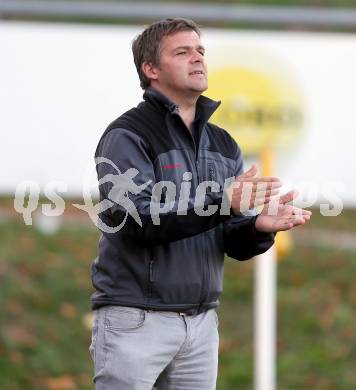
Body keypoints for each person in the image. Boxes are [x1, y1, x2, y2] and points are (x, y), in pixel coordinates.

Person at [88, 17, 311, 390]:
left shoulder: (223, 143)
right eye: (183, 52)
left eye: (201, 51)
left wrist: (257, 227)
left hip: (201, 325)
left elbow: (227, 236)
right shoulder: (127, 135)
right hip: (135, 321)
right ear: (151, 69)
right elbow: (138, 220)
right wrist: (225, 202)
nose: (198, 59)